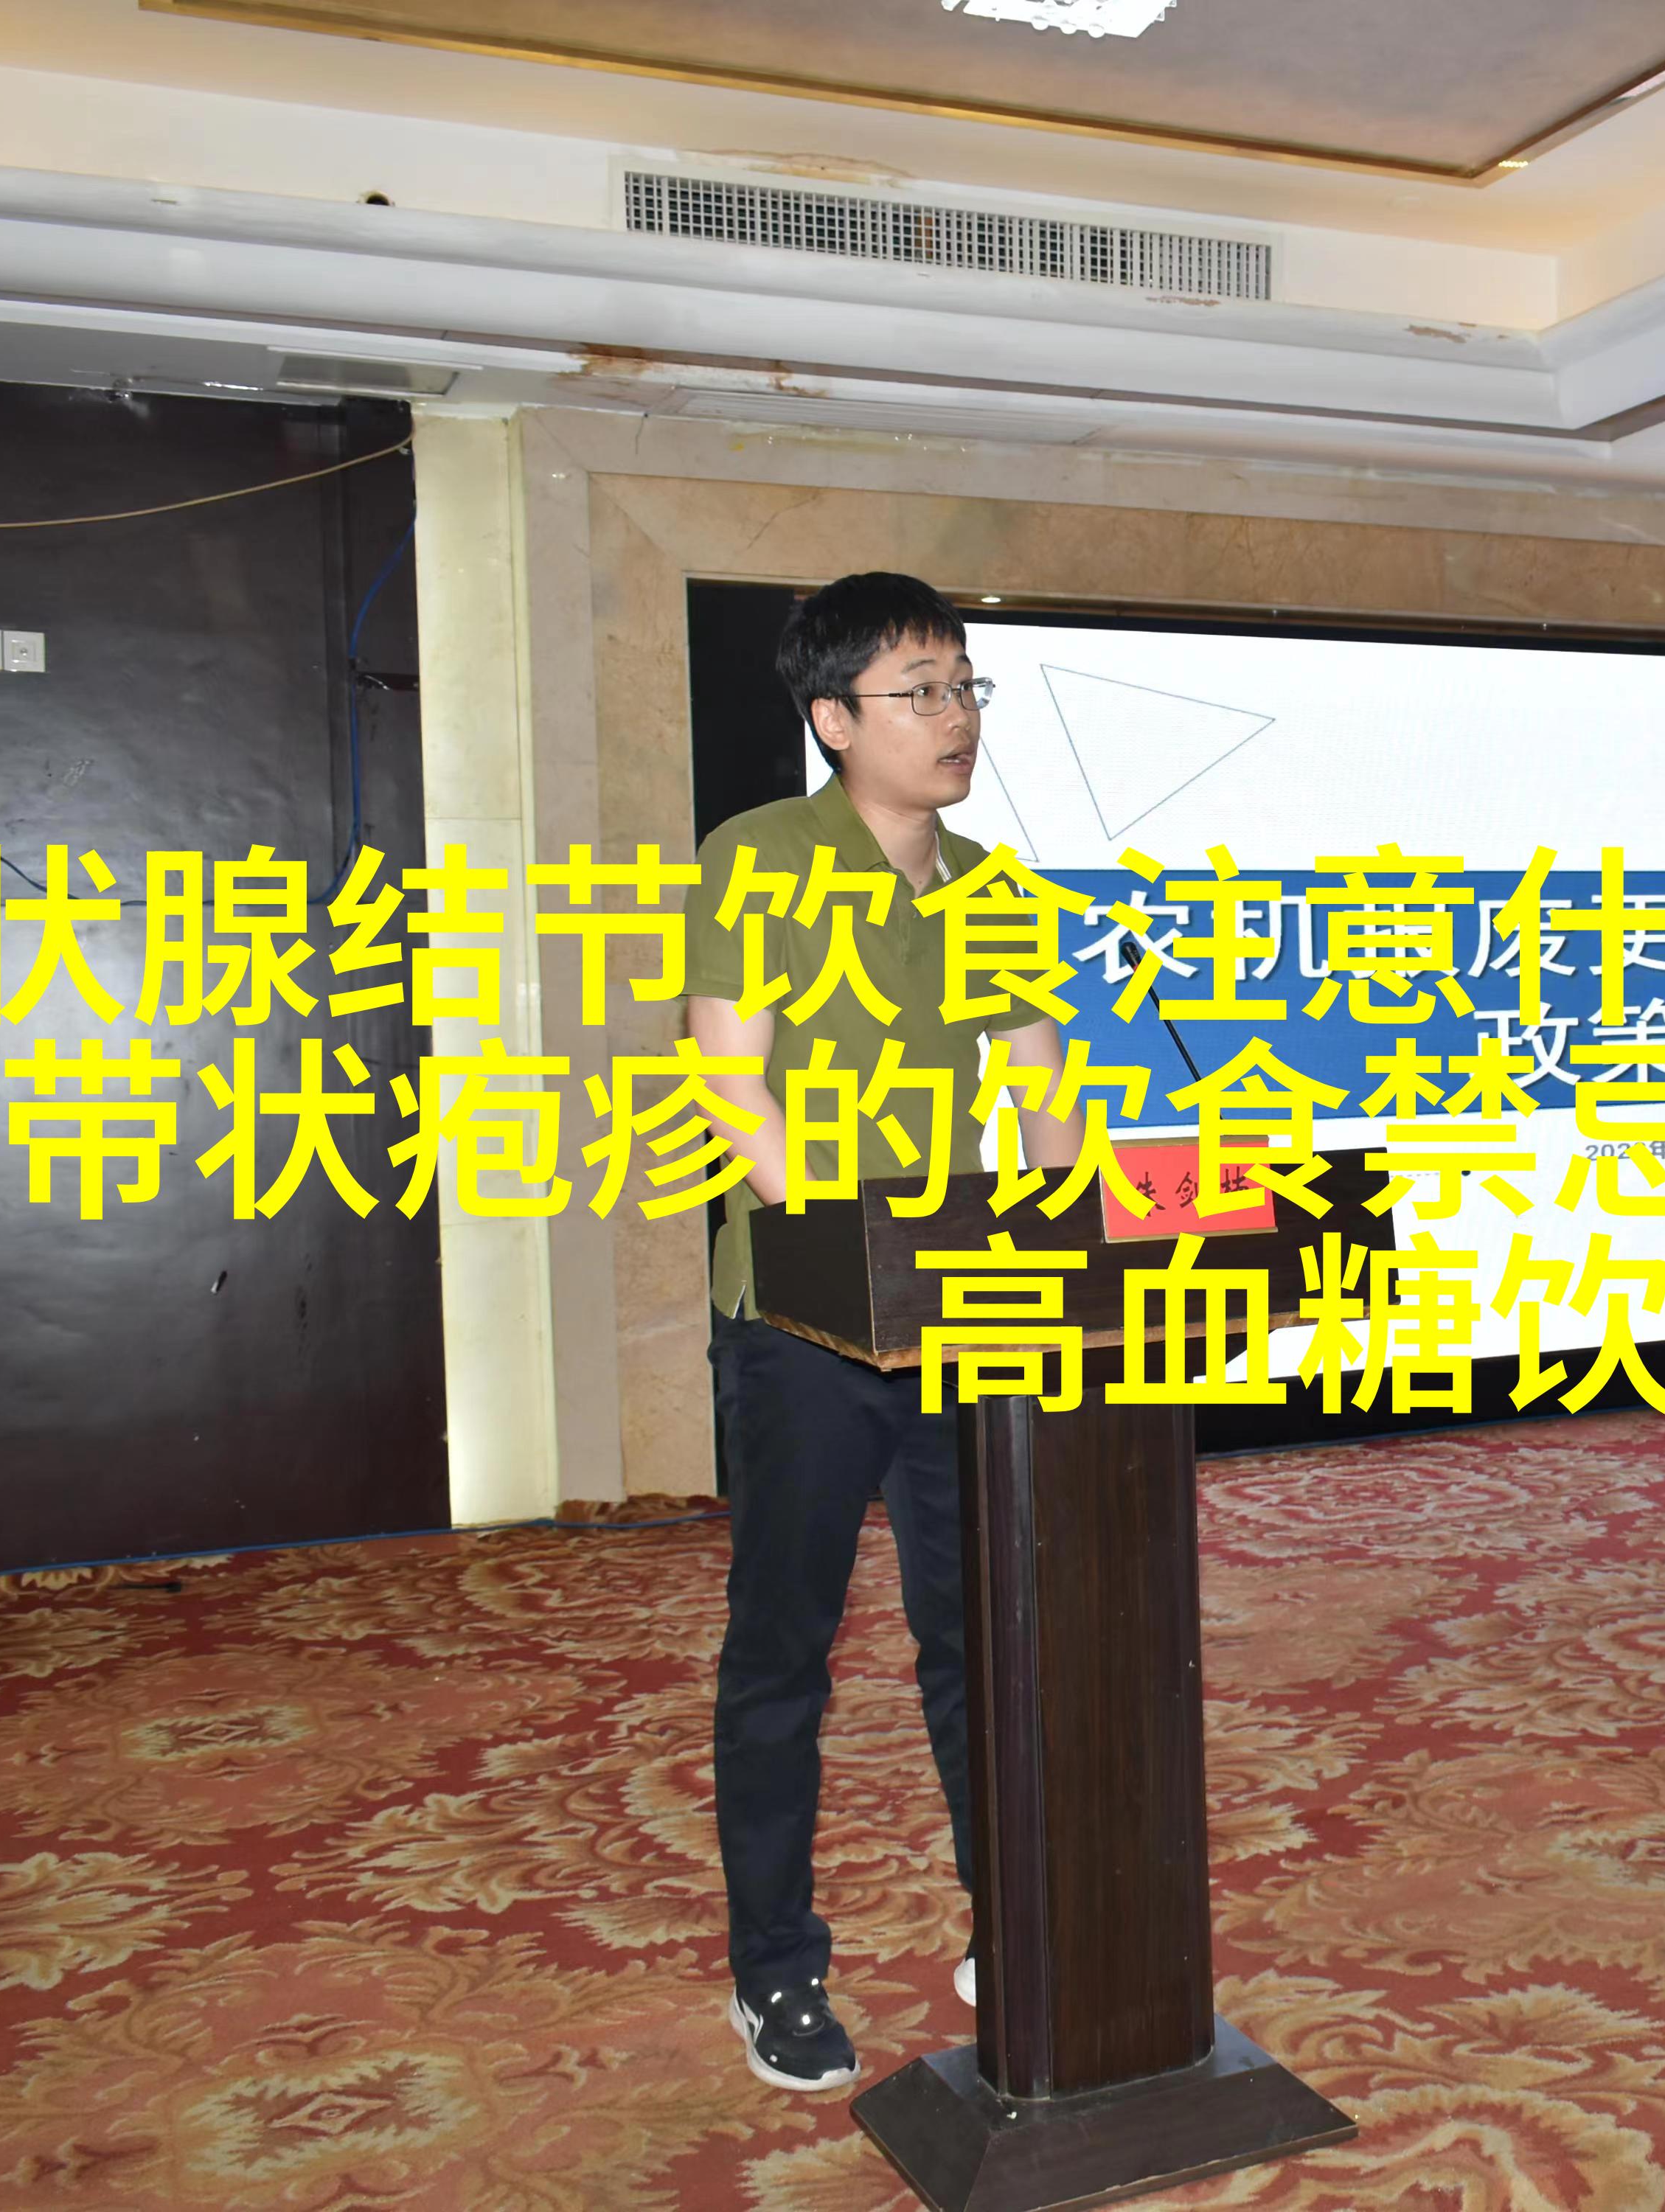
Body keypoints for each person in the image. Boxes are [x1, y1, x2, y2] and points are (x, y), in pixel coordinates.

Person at [682, 572, 1078, 2093]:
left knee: (976, 1636)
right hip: (805, 1324)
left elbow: (1039, 1093)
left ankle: (1012, 1918)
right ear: (834, 720)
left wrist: (1060, 1248)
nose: (956, 716)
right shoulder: (761, 857)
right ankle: (775, 1967)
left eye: (966, 685)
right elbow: (732, 1080)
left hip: (961, 1316)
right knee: (784, 1647)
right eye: (922, 691)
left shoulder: (992, 889)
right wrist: (848, 1266)